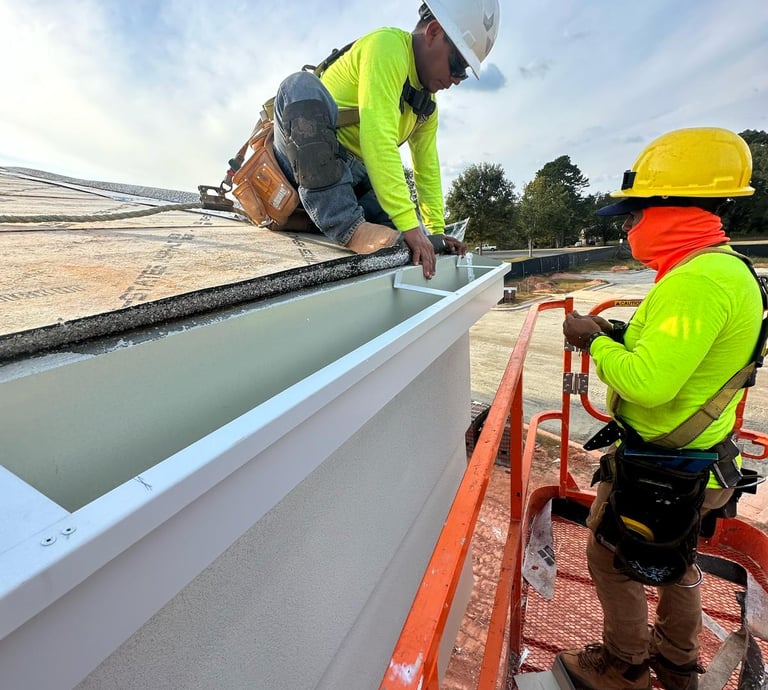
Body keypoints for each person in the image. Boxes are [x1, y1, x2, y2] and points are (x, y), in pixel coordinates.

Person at [558, 127, 764, 690]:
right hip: (699, 460)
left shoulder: (698, 281)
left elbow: (647, 383)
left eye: (635, 214)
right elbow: (685, 352)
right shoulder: (724, 269)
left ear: (672, 207)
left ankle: (624, 667)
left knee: (610, 557)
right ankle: (676, 660)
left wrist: (593, 341)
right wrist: (619, 330)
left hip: (661, 465)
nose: (628, 228)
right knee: (677, 558)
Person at [270, 0, 500, 279]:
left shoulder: (426, 105)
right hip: (300, 161)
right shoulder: (388, 46)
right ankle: (349, 228)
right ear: (433, 32)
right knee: (298, 85)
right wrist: (408, 224)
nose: (458, 78)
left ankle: (346, 217)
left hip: (350, 180)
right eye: (458, 64)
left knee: (411, 234)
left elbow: (426, 169)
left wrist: (435, 232)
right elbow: (378, 139)